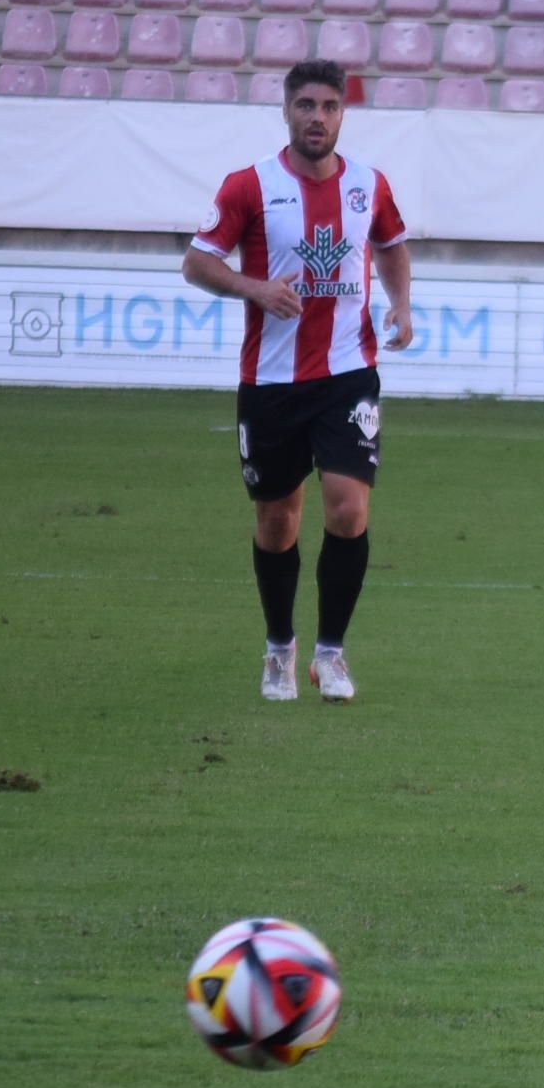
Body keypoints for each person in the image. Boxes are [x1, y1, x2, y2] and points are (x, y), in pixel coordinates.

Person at [182, 60, 414, 705]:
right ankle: (279, 647)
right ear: (286, 111)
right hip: (271, 382)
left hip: (347, 373)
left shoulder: (369, 184)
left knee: (348, 507)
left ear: (344, 114)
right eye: (307, 105)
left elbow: (392, 244)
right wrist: (252, 287)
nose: (318, 117)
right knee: (278, 522)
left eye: (330, 106)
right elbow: (197, 262)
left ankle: (330, 654)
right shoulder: (248, 185)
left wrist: (402, 303)